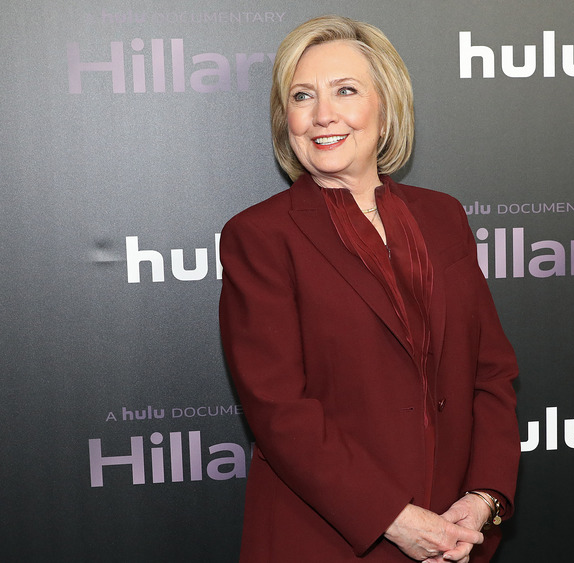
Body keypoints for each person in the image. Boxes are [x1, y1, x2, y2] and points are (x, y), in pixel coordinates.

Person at [219, 15, 520, 562]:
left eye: (346, 91)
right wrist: (396, 520)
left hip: (456, 539)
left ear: (385, 110)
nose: (322, 115)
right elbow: (280, 410)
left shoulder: (443, 217)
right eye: (302, 95)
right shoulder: (259, 236)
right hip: (326, 541)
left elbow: (491, 373)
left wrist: (483, 499)